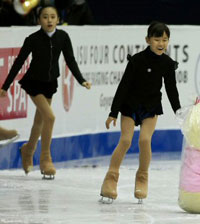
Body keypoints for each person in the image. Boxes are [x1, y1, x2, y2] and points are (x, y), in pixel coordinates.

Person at [0, 5, 91, 179]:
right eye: (45, 17)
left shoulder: (63, 37)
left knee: (40, 121)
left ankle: (28, 150)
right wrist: (6, 85)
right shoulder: (32, 39)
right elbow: (19, 62)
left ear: (58, 19)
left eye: (52, 17)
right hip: (33, 82)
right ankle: (45, 158)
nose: (49, 20)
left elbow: (70, 60)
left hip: (50, 83)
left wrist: (81, 80)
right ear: (39, 20)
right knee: (50, 117)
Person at [99, 21, 181, 203]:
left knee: (145, 140)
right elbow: (123, 86)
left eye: (165, 40)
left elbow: (171, 89)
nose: (161, 44)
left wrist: (178, 111)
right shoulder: (137, 60)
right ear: (148, 40)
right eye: (157, 39)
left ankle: (142, 178)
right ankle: (110, 179)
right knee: (126, 140)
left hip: (151, 106)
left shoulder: (167, 64)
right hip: (130, 105)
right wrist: (113, 112)